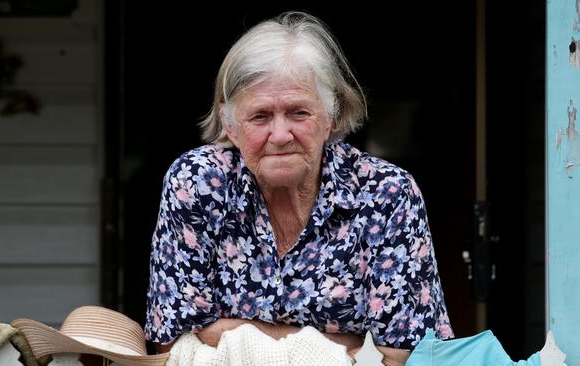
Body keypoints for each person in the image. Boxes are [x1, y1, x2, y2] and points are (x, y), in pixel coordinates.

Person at [144, 11, 453, 365]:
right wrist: (340, 346)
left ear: (330, 115)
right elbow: (172, 345)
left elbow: (407, 356)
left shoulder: (386, 195)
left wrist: (229, 336)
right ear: (229, 123)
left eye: (298, 113)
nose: (279, 135)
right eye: (260, 116)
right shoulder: (197, 183)